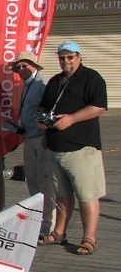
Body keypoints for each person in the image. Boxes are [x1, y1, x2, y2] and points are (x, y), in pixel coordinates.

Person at [38, 40, 107, 256]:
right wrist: (42, 122)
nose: (65, 61)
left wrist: (72, 119)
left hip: (82, 148)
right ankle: (59, 232)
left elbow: (99, 106)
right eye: (62, 57)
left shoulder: (91, 77)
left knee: (87, 195)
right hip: (56, 147)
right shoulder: (55, 81)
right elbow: (44, 106)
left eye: (70, 56)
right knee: (62, 194)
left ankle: (89, 238)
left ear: (79, 57)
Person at [8, 51, 54, 238]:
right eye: (18, 66)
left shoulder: (42, 83)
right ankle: (38, 218)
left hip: (41, 138)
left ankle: (49, 222)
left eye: (24, 65)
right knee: (32, 179)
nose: (20, 69)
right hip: (29, 137)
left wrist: (46, 134)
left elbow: (49, 111)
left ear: (33, 65)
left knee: (45, 180)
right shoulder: (25, 85)